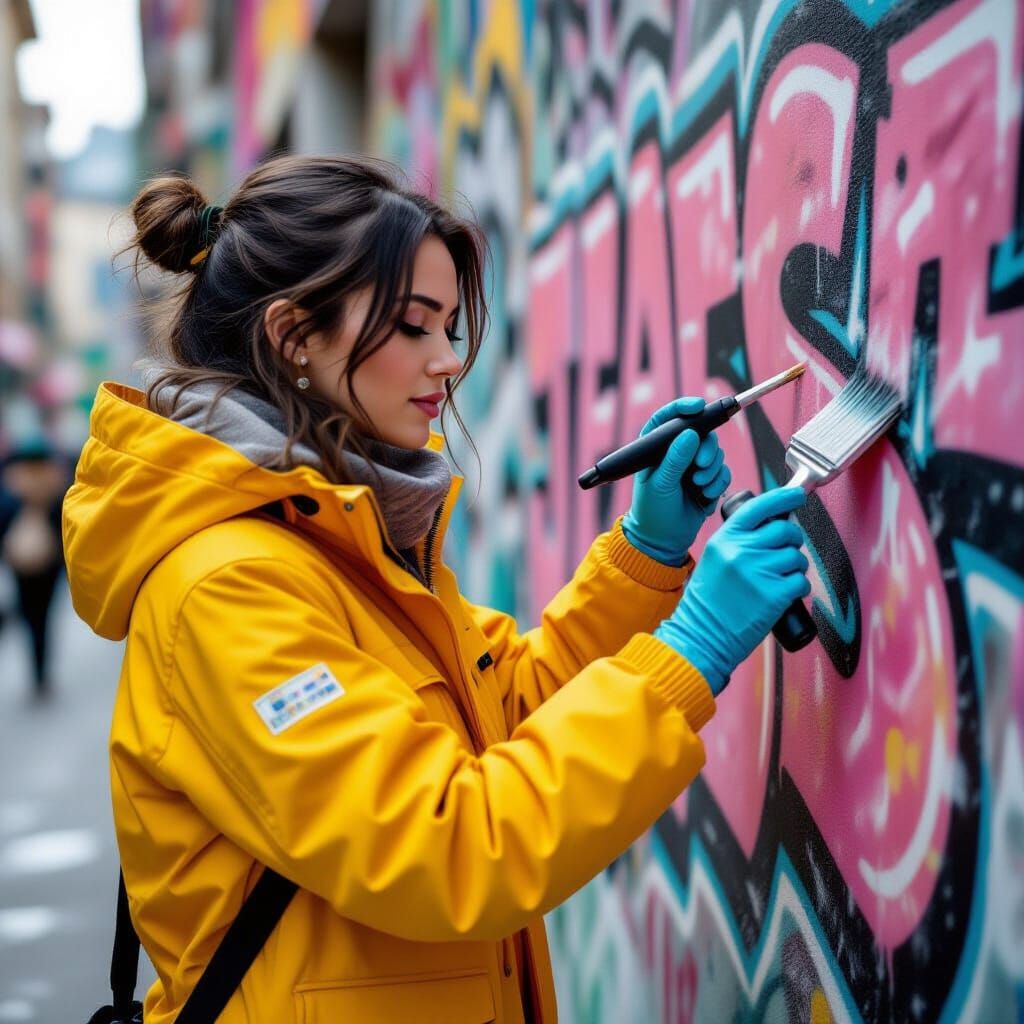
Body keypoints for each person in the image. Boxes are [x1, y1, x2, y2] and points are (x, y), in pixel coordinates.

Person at [62, 155, 810, 1023]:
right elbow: (453, 846)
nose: (448, 360)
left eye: (449, 326)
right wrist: (695, 649)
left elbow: (507, 715)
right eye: (415, 326)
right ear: (293, 335)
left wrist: (646, 554)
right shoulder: (230, 588)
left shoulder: (334, 529)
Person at [1, 439, 69, 699]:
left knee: (29, 615)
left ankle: (37, 667)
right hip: (50, 567)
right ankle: (41, 673)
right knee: (44, 618)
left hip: (21, 568)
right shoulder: (57, 486)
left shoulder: (11, 487)